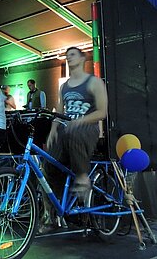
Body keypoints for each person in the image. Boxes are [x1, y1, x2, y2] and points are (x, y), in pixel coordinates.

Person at [40, 47, 107, 232]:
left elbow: (102, 112)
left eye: (72, 54)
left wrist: (80, 121)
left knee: (73, 131)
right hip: (67, 129)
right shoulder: (65, 86)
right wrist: (53, 129)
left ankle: (83, 178)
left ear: (82, 58)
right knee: (47, 164)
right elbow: (60, 111)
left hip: (87, 129)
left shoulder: (93, 82)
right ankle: (52, 215)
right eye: (67, 55)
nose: (68, 58)